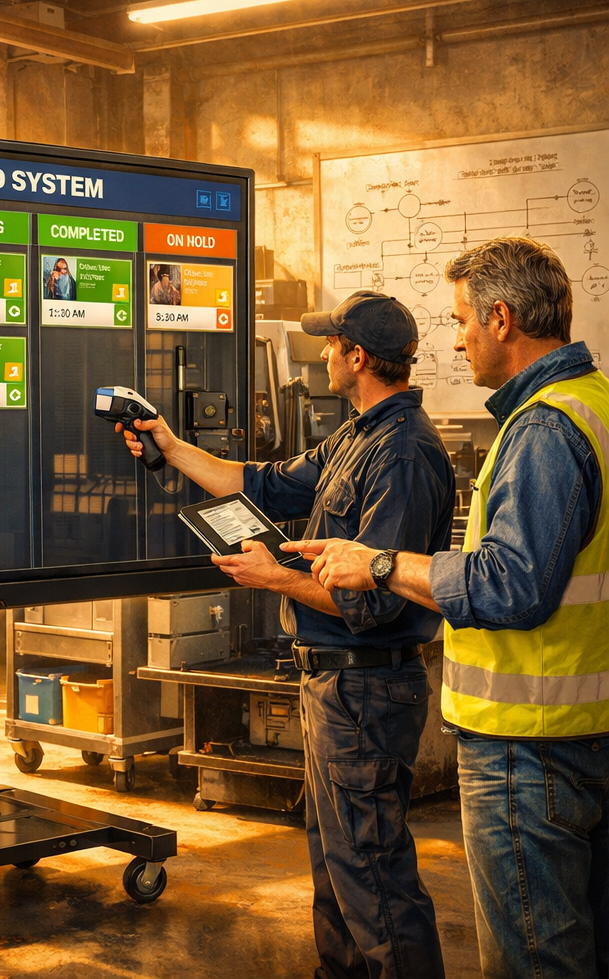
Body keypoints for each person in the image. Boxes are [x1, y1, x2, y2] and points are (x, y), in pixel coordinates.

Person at [285, 237, 609, 979]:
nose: (456, 337)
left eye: (463, 319)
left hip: (529, 742)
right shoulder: (596, 404)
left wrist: (383, 564)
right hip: (583, 731)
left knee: (537, 960)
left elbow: (511, 585)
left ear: (501, 318)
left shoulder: (543, 429)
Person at [119, 291, 454, 979]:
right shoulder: (358, 435)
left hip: (366, 689)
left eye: (331, 344)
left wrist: (274, 577)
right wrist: (170, 445)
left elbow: (375, 605)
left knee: (374, 880)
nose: (323, 353)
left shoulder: (401, 453)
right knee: (337, 872)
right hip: (333, 686)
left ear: (356, 356)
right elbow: (261, 484)